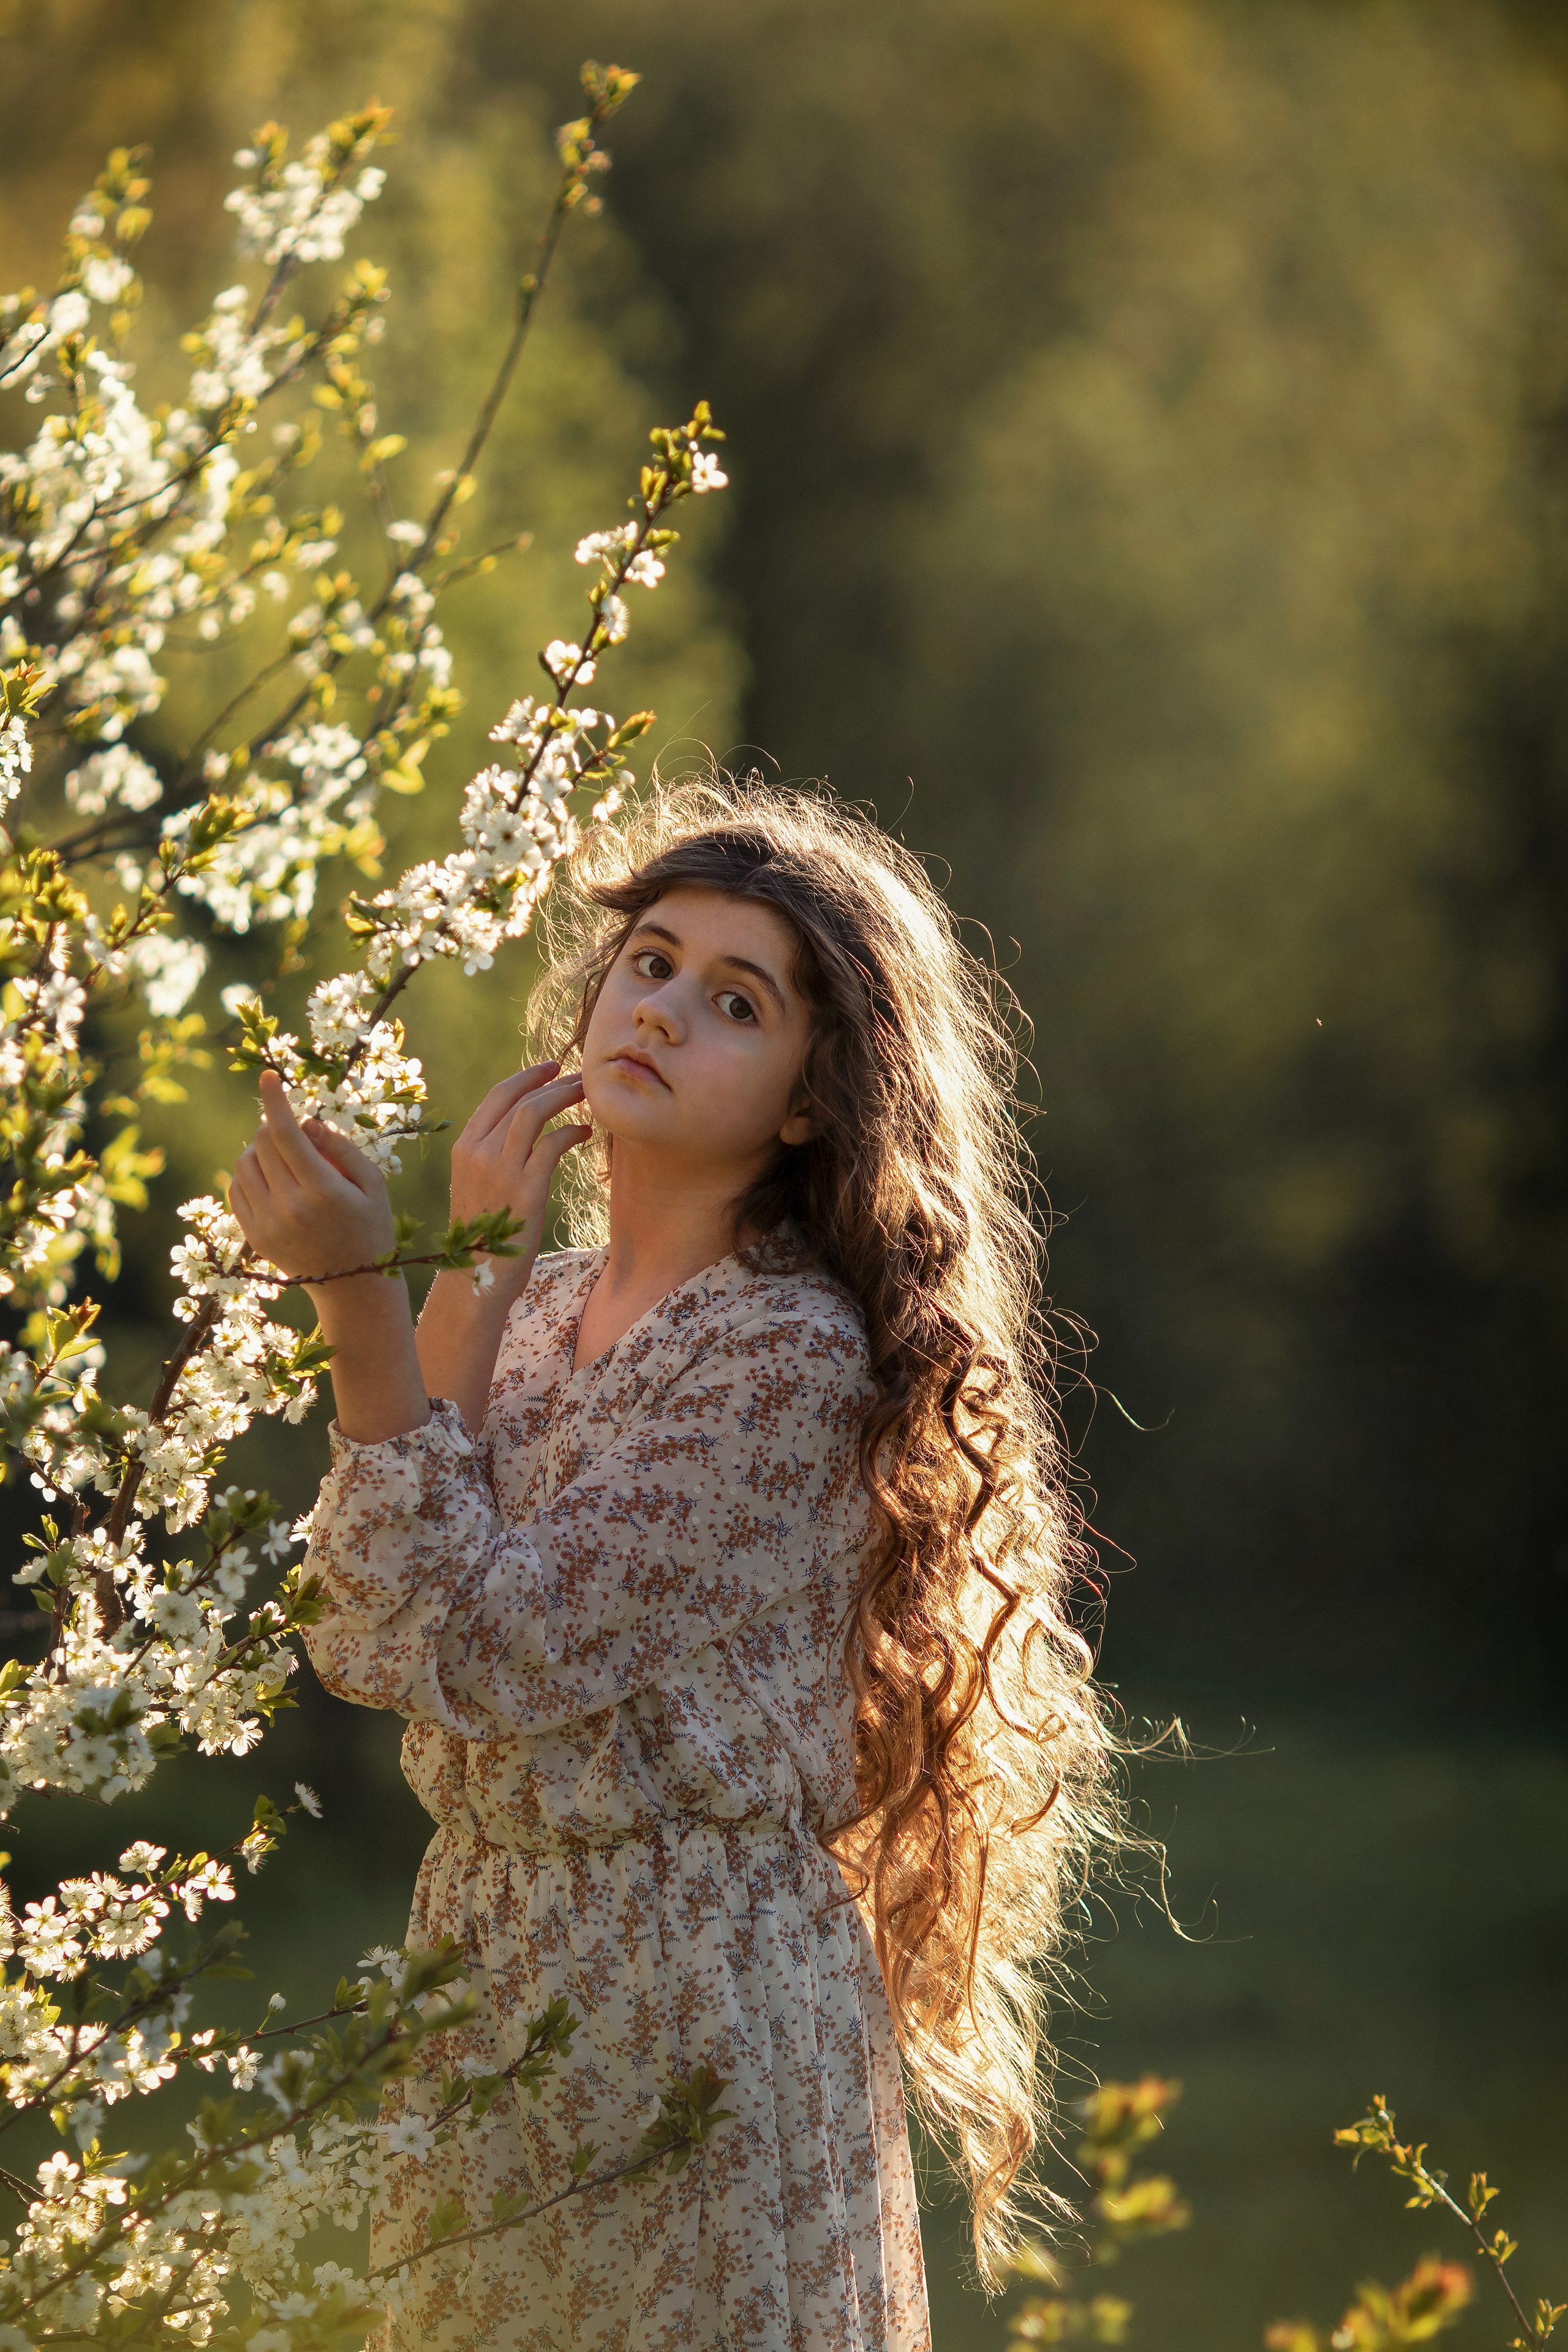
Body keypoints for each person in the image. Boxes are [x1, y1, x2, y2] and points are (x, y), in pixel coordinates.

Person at [228, 778, 1120, 2352]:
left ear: (806, 1098)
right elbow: (368, 1632)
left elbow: (496, 1651)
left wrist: (365, 1302)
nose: (659, 1010)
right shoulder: (543, 1300)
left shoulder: (783, 1359)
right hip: (485, 1966)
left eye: (733, 1002)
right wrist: (468, 1282)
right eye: (647, 962)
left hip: (690, 1991)